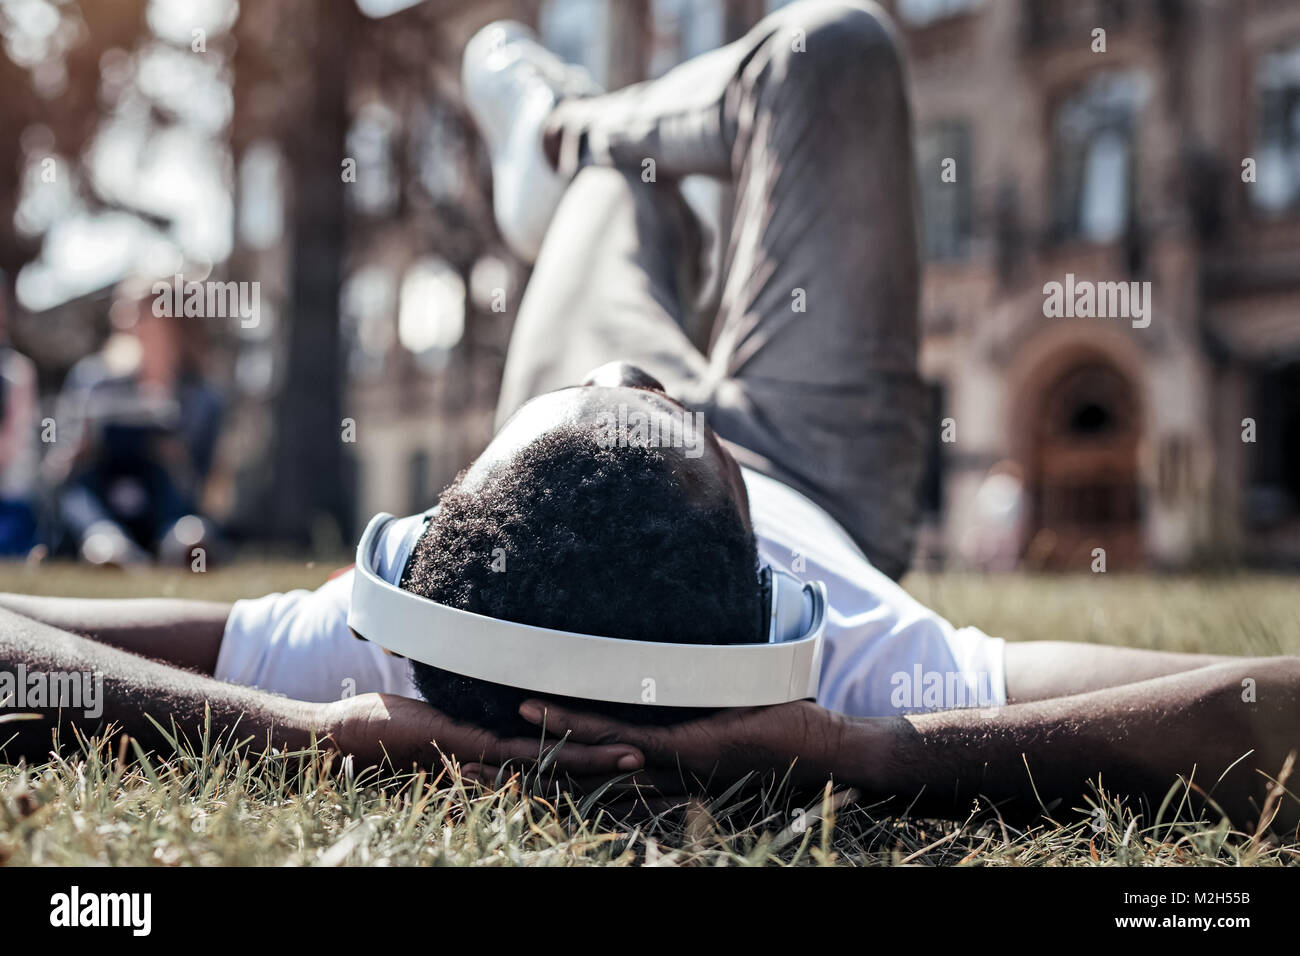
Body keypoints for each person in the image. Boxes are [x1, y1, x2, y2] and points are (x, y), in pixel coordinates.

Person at [0, 2, 1295, 830]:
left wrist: (306, 731)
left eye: (587, 401)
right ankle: (577, 142)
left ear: (436, 534)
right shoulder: (855, 657)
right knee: (830, 53)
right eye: (667, 406)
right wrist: (867, 753)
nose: (644, 374)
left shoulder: (377, 648)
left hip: (628, 496)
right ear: (774, 592)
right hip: (827, 469)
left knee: (617, 198)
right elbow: (1268, 714)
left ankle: (568, 142)